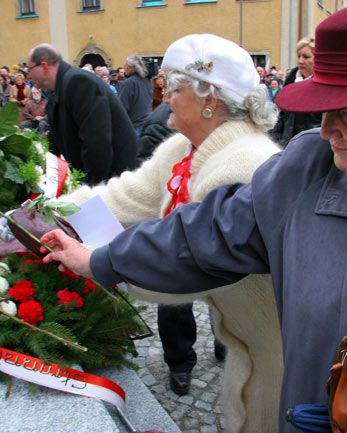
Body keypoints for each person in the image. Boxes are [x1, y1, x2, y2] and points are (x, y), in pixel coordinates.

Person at [40, 3, 347, 433]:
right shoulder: (306, 164)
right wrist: (99, 260)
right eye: (323, 111)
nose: (326, 130)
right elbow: (206, 234)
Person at [50, 34, 283, 433]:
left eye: (173, 87)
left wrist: (95, 263)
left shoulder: (243, 163)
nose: (164, 97)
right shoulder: (183, 148)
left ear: (209, 98)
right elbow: (126, 195)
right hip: (245, 338)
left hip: (279, 345)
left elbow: (185, 269)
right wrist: (51, 211)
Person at [25, 43, 138, 185]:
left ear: (44, 66)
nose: (27, 75)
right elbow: (57, 139)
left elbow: (97, 141)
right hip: (104, 178)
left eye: (29, 69)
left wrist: (91, 188)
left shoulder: (78, 82)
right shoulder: (60, 87)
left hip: (114, 179)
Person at [268, 37, 321, 147]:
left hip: (311, 145)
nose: (300, 61)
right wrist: (273, 139)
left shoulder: (322, 85)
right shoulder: (291, 79)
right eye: (298, 56)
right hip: (287, 143)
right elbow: (283, 116)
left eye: (306, 57)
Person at [118, 55, 153, 136]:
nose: (124, 67)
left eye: (125, 65)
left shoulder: (128, 83)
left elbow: (122, 107)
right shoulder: (148, 80)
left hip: (134, 125)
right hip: (147, 123)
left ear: (132, 68)